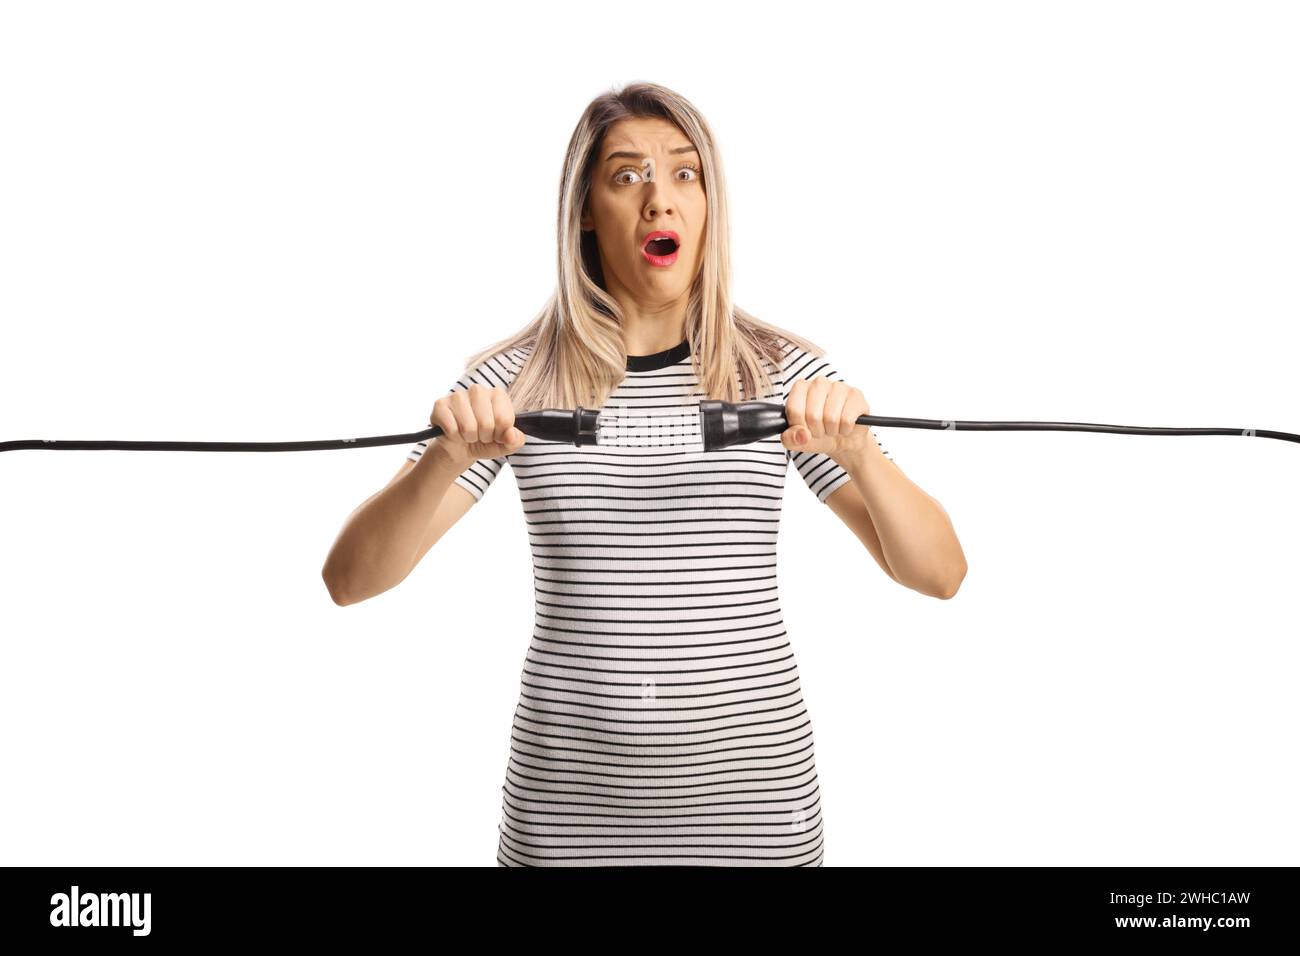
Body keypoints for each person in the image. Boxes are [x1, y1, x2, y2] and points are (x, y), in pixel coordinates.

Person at [321, 82, 967, 866]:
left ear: (708, 206)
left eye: (685, 174)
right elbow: (350, 581)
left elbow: (939, 573)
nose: (659, 197)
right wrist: (446, 457)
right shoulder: (512, 384)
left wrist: (857, 451)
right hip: (564, 824)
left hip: (758, 818)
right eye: (627, 176)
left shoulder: (780, 374)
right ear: (585, 211)